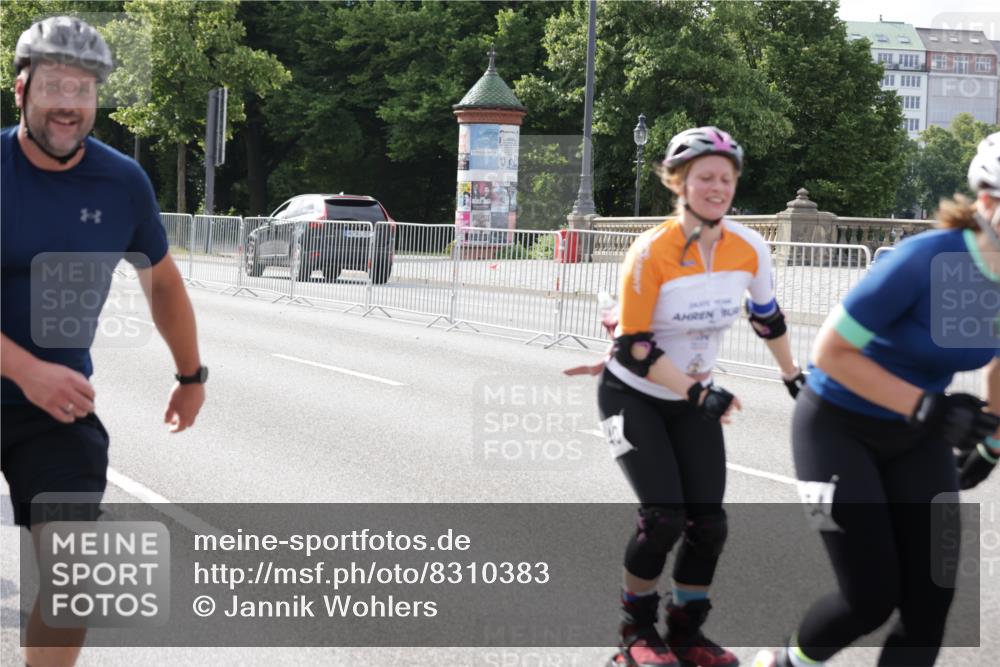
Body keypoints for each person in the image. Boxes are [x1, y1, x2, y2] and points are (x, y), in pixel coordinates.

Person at [1, 16, 207, 667]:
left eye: (84, 89)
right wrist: (25, 367)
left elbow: (164, 285)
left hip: (51, 412)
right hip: (36, 382)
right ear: (21, 89)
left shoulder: (122, 183)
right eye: (55, 86)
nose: (69, 103)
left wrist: (191, 374)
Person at [753, 134, 1000, 667]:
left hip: (916, 438)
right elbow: (830, 351)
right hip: (837, 426)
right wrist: (928, 407)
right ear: (987, 201)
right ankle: (785, 663)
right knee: (868, 599)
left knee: (931, 599)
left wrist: (994, 436)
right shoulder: (924, 260)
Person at [596, 127, 803, 667]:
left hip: (692, 401)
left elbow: (768, 318)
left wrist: (793, 377)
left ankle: (687, 634)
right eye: (704, 177)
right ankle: (635, 633)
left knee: (708, 524)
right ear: (678, 182)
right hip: (632, 393)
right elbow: (635, 345)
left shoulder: (749, 247)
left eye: (726, 178)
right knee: (662, 518)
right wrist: (697, 391)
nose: (717, 187)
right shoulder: (651, 252)